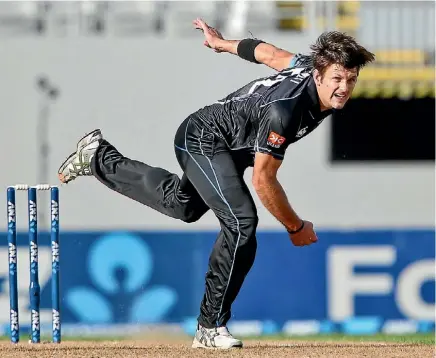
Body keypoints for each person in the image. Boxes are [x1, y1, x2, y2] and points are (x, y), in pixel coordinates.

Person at [57, 18, 375, 349]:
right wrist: (294, 227)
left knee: (182, 206)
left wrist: (222, 44)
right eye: (338, 79)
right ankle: (209, 327)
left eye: (351, 80)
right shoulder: (287, 111)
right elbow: (263, 178)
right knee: (241, 223)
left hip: (226, 148)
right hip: (204, 138)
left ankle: (97, 157)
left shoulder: (309, 67)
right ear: (319, 75)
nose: (344, 87)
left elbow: (271, 54)